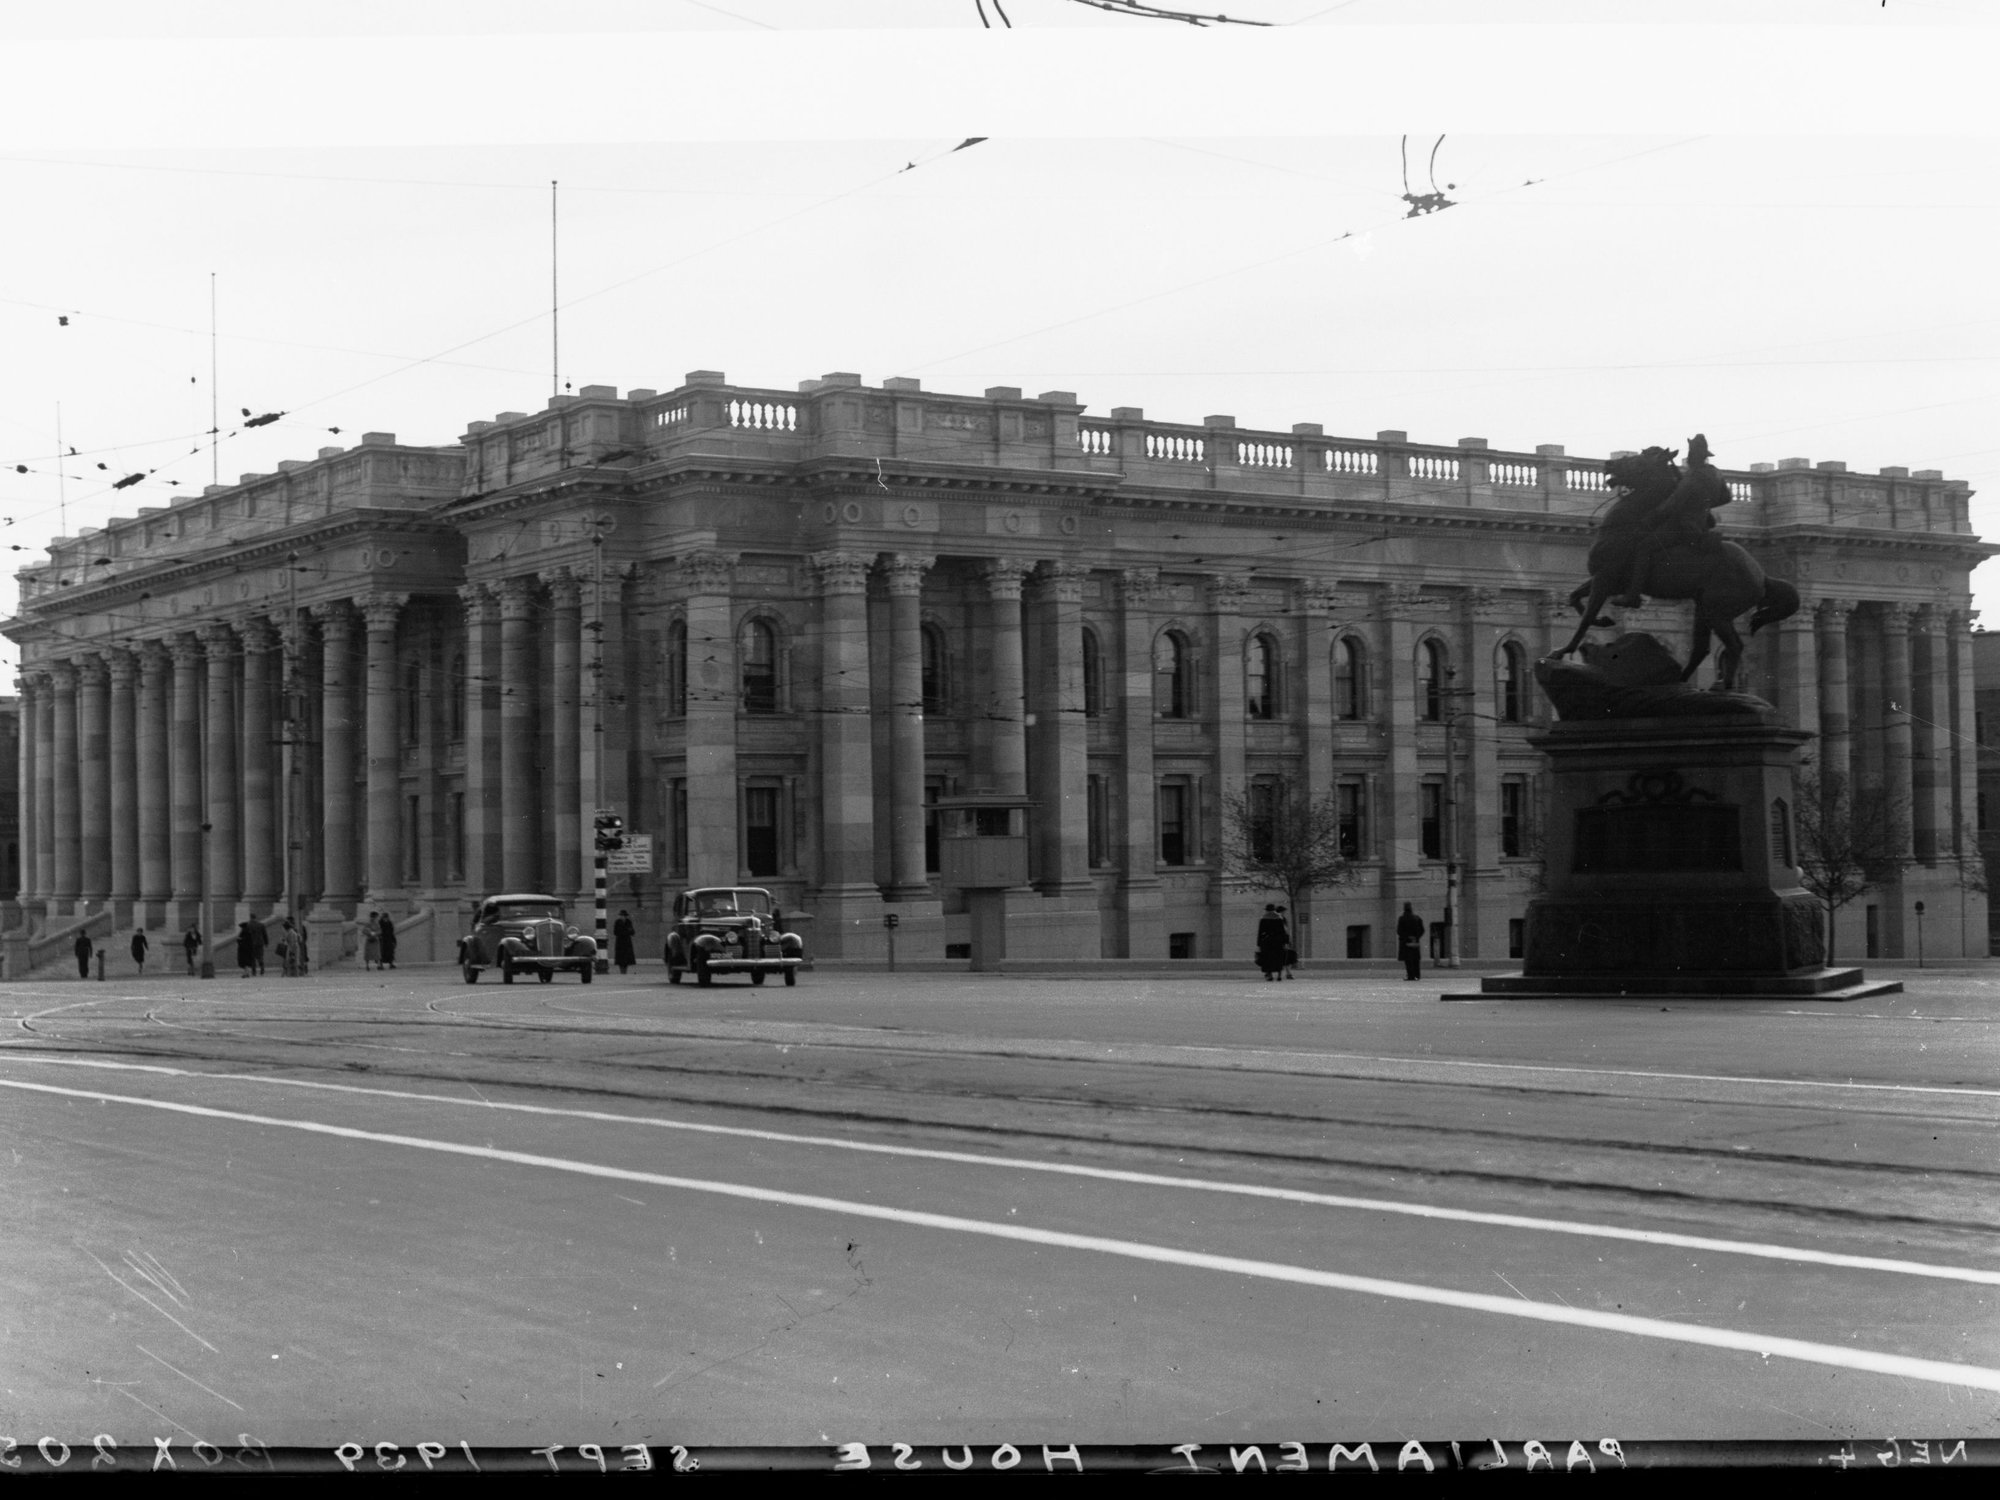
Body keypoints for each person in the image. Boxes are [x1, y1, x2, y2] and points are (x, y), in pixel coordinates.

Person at [1255, 904, 1289, 982]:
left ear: (1266, 910)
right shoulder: (1279, 918)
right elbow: (1283, 932)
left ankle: (1269, 974)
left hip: (1267, 941)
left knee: (1267, 958)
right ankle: (1279, 975)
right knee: (1278, 957)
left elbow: (1260, 932)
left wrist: (1259, 944)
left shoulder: (1263, 918)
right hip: (1278, 941)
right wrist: (1286, 942)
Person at [1396, 902, 1426, 981]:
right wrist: (1416, 937)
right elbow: (1422, 930)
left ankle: (1410, 975)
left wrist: (1406, 937)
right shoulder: (1417, 918)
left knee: (1408, 960)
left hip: (1405, 942)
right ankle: (1417, 975)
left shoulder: (1402, 919)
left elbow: (1399, 931)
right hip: (1415, 941)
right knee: (1416, 959)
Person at [1275, 904, 1298, 980]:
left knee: (1288, 956)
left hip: (1284, 941)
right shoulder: (1279, 919)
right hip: (1281, 941)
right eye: (1283, 911)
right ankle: (1286, 973)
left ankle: (1287, 973)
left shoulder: (1283, 919)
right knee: (1285, 957)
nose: (1284, 913)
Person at [612, 909, 637, 974]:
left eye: (623, 916)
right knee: (621, 958)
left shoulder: (628, 922)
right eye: (621, 915)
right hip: (620, 942)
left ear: (625, 916)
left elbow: (632, 932)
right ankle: (622, 971)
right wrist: (626, 931)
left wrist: (626, 932)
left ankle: (625, 971)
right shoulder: (617, 922)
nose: (621, 917)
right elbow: (616, 932)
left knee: (626, 958)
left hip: (627, 942)